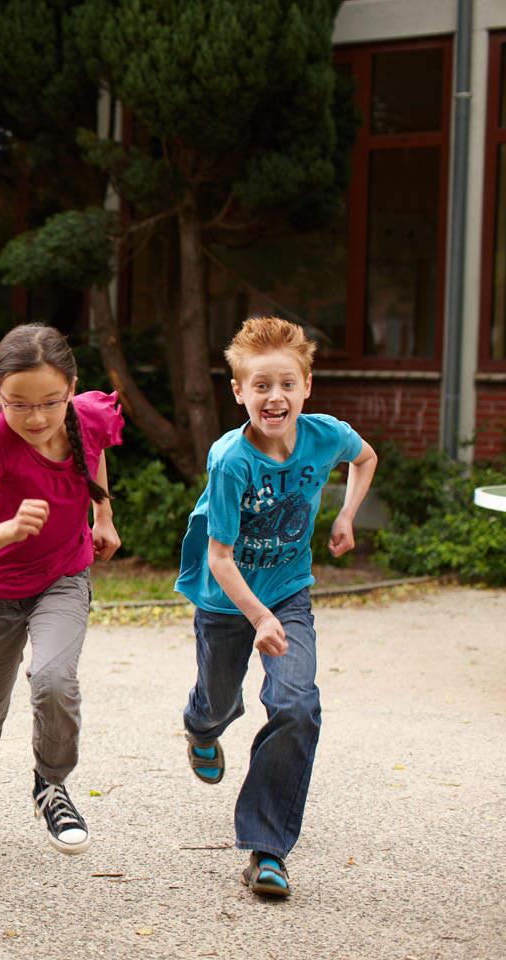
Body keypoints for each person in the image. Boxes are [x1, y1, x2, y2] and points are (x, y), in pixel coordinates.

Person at [175, 316, 377, 899]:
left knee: (297, 704)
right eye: (260, 385)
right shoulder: (232, 459)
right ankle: (200, 728)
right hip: (227, 599)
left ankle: (267, 850)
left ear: (307, 386)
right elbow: (219, 557)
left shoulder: (325, 435)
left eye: (286, 383)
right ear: (238, 392)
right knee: (217, 701)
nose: (275, 396)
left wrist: (345, 515)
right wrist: (256, 616)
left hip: (288, 592)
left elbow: (365, 458)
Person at [0, 323, 122, 855]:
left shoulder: (89, 417)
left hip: (63, 576)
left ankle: (51, 785)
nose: (36, 418)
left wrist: (102, 515)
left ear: (72, 388)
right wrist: (11, 529)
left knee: (54, 679)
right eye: (18, 404)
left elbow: (94, 451)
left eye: (50, 403)